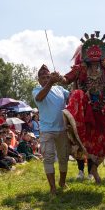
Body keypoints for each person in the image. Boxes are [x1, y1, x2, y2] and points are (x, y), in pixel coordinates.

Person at [55, 31, 105, 183]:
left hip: (103, 110)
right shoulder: (80, 68)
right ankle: (84, 168)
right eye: (91, 59)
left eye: (97, 59)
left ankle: (94, 169)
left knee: (104, 143)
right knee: (86, 140)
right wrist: (59, 77)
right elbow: (66, 79)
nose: (94, 63)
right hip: (85, 110)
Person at [32, 64, 70, 195]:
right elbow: (40, 98)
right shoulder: (36, 90)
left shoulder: (60, 89)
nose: (46, 79)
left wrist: (63, 79)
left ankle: (62, 182)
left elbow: (73, 97)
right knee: (48, 158)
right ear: (38, 80)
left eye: (48, 77)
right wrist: (51, 82)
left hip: (62, 129)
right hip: (47, 130)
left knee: (64, 157)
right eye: (43, 78)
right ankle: (52, 188)